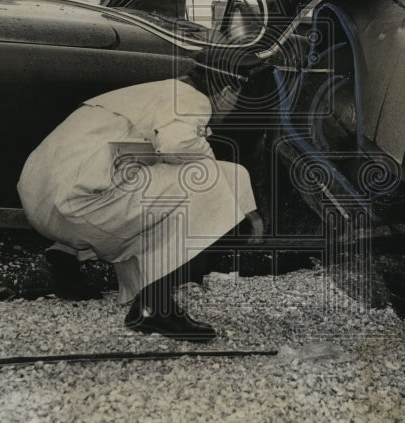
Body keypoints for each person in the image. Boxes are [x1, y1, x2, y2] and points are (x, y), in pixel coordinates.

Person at [17, 51, 266, 342]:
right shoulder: (190, 100)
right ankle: (154, 307)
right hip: (80, 205)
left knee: (155, 179)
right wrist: (248, 210)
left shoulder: (155, 91)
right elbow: (177, 146)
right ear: (228, 91)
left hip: (43, 202)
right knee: (222, 178)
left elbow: (127, 155)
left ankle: (66, 256)